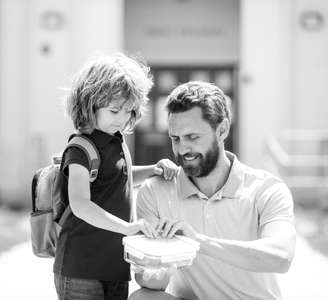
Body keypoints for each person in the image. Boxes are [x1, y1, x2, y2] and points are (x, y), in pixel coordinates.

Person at [130, 81, 296, 300]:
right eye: (175, 138)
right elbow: (150, 283)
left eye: (193, 137)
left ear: (222, 129)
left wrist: (195, 242)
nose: (182, 149)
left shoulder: (266, 189)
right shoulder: (154, 191)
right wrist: (157, 257)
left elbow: (281, 256)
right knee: (142, 298)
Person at [53, 53, 178, 300]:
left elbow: (117, 177)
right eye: (114, 111)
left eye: (128, 111)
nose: (122, 119)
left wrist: (153, 169)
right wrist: (129, 228)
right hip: (81, 269)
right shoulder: (79, 149)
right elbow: (80, 204)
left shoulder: (116, 141)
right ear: (89, 105)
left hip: (115, 267)